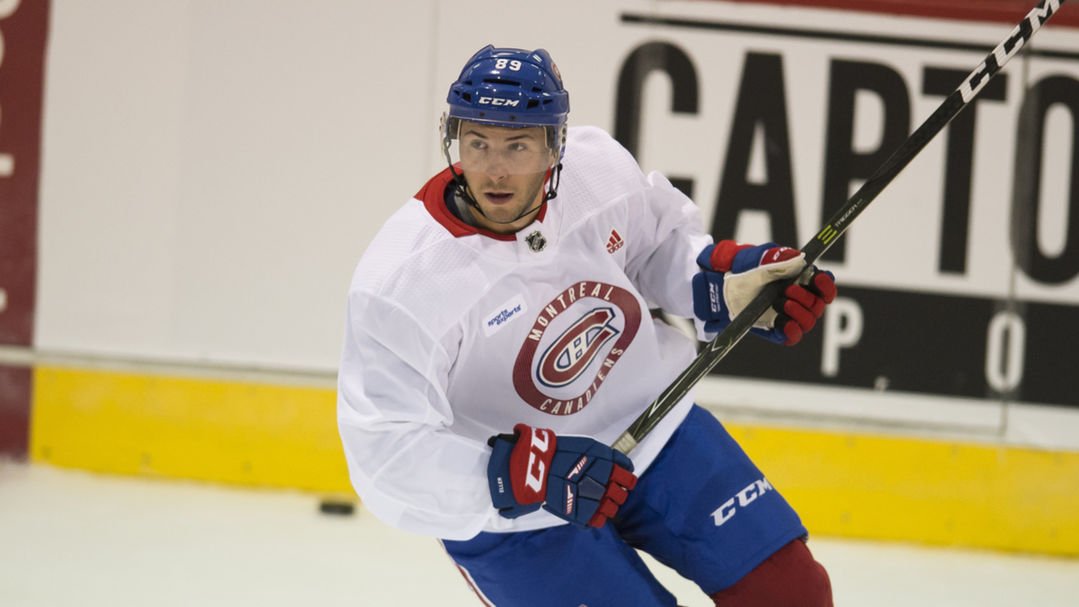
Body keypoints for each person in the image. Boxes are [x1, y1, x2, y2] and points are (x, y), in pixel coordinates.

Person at [337, 45, 837, 606]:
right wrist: (512, 473)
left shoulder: (597, 172)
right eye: (477, 143)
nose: (494, 169)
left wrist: (717, 288)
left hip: (650, 428)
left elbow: (656, 250)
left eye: (518, 145)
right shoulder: (404, 282)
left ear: (554, 146)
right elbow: (385, 452)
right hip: (517, 517)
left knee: (792, 593)